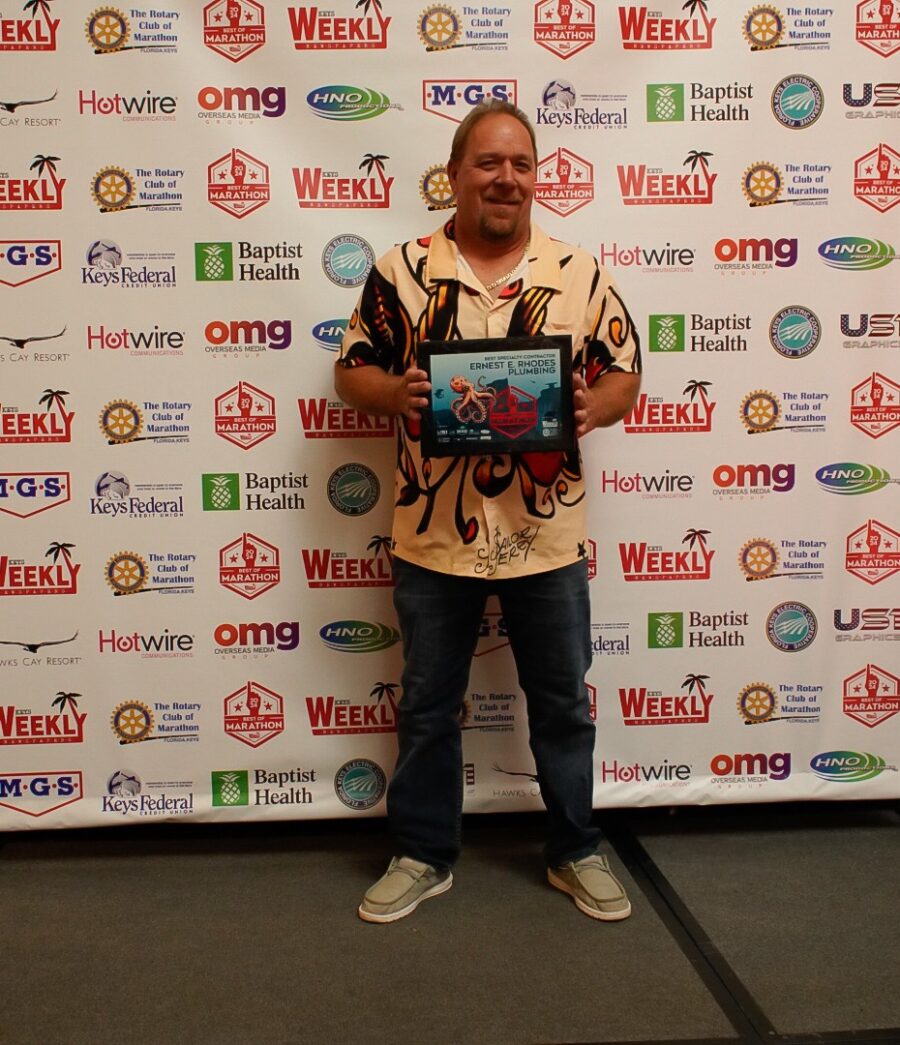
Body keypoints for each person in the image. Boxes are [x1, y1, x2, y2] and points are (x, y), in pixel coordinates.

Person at [334, 99, 642, 924]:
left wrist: (591, 408)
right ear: (456, 172)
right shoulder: (401, 270)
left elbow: (625, 375)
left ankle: (575, 847)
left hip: (546, 533)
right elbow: (349, 372)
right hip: (432, 532)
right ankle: (423, 852)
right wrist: (395, 391)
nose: (506, 178)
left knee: (563, 702)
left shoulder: (578, 273)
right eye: (488, 162)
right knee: (429, 702)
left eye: (521, 164)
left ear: (534, 178)